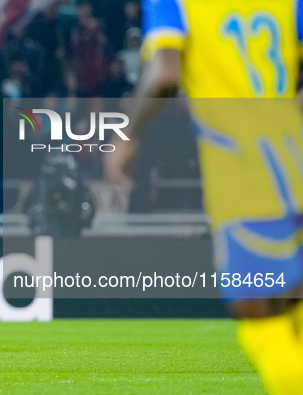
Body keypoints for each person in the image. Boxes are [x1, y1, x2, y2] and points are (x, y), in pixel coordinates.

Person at [106, 1, 303, 394]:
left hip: (246, 170)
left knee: (256, 309)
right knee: (291, 303)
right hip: (293, 150)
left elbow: (164, 72)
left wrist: (126, 136)